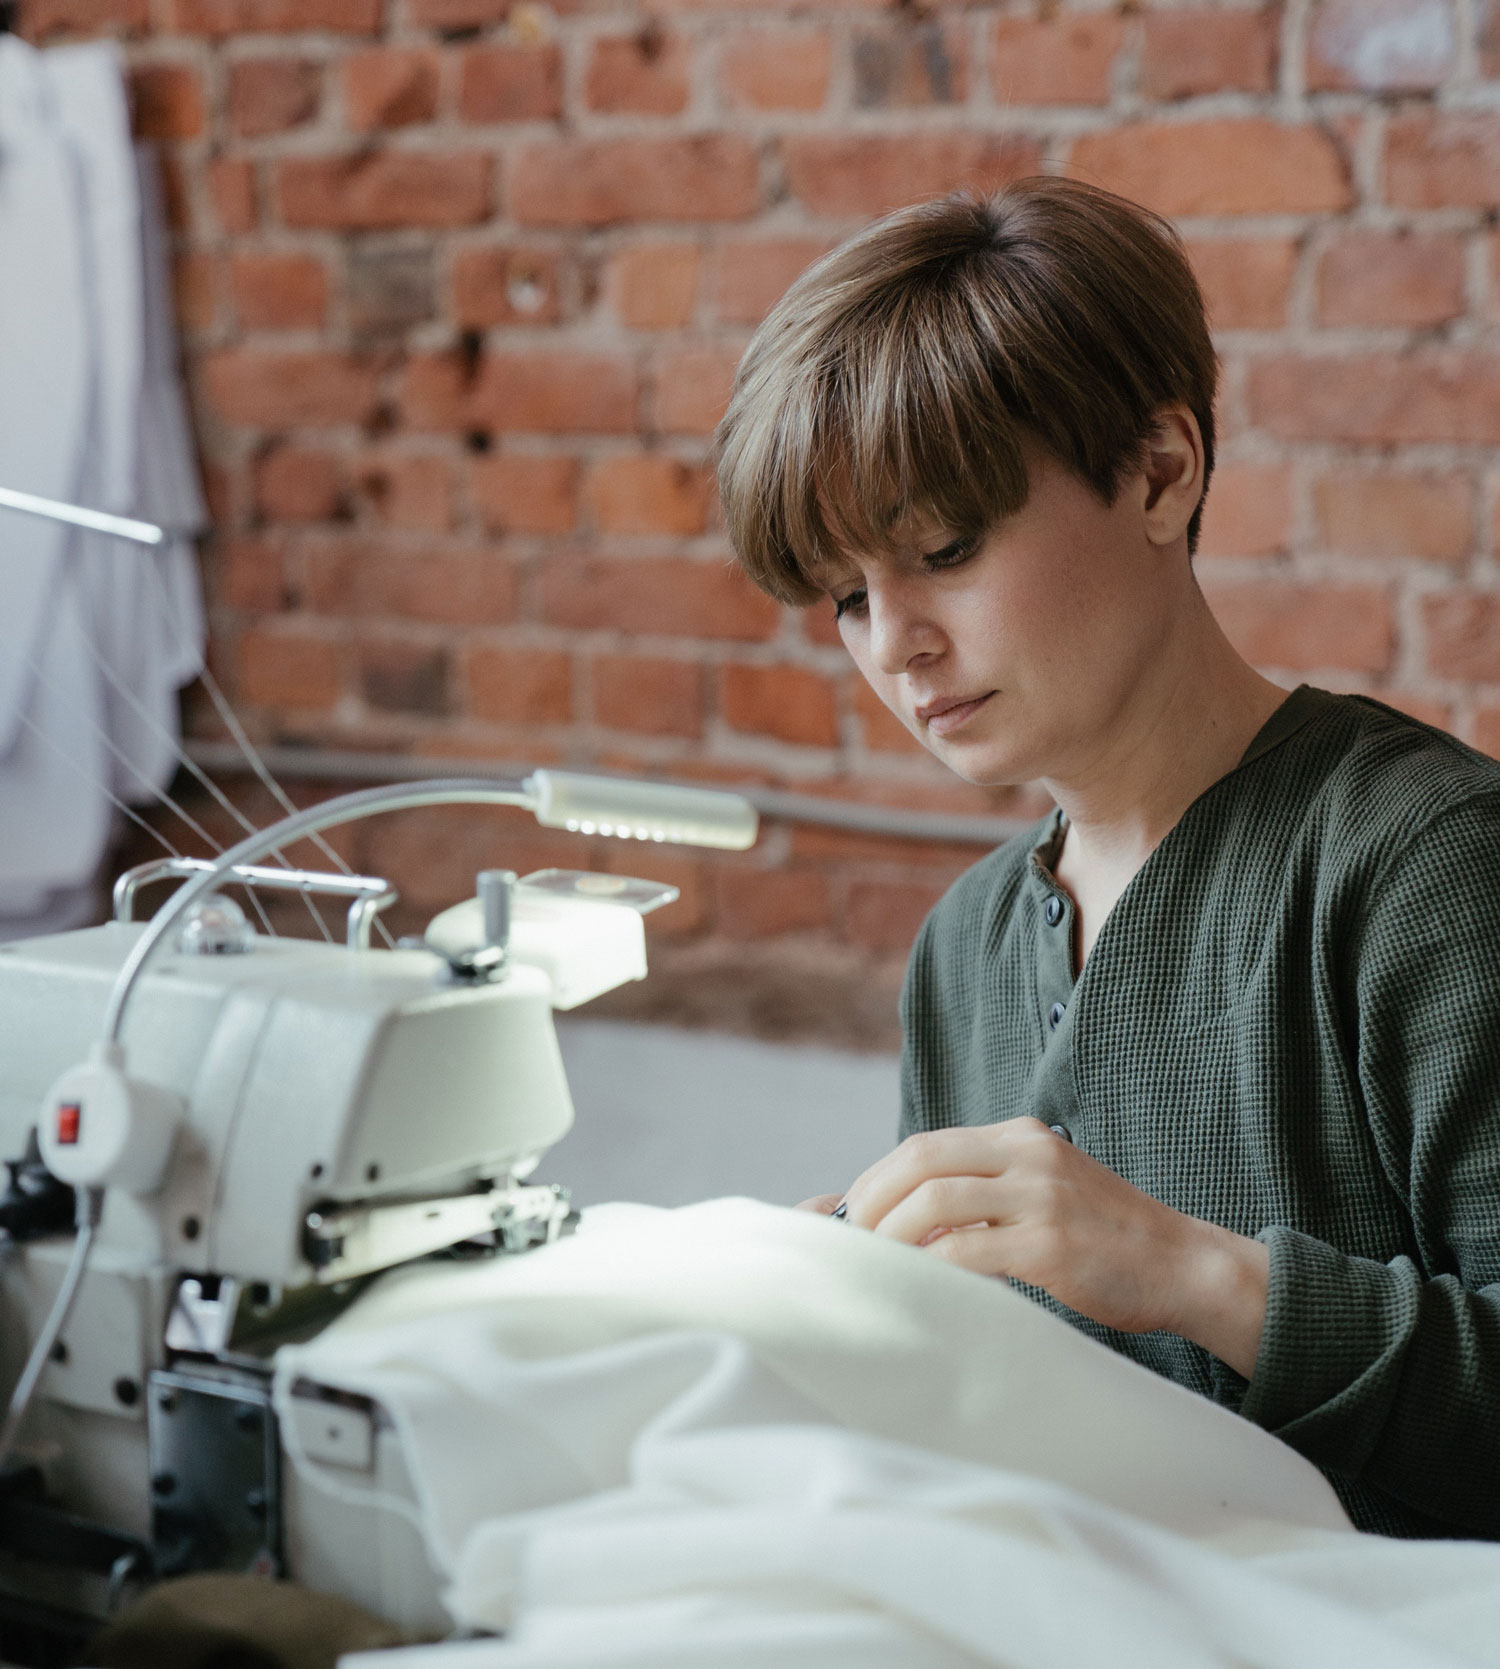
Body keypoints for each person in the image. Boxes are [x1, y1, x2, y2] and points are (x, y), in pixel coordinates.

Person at [712, 177, 1500, 1541]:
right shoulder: (964, 949)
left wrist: (1191, 1273)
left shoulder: (1423, 867)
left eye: (943, 549)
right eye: (847, 596)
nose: (892, 644)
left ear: (1158, 471)